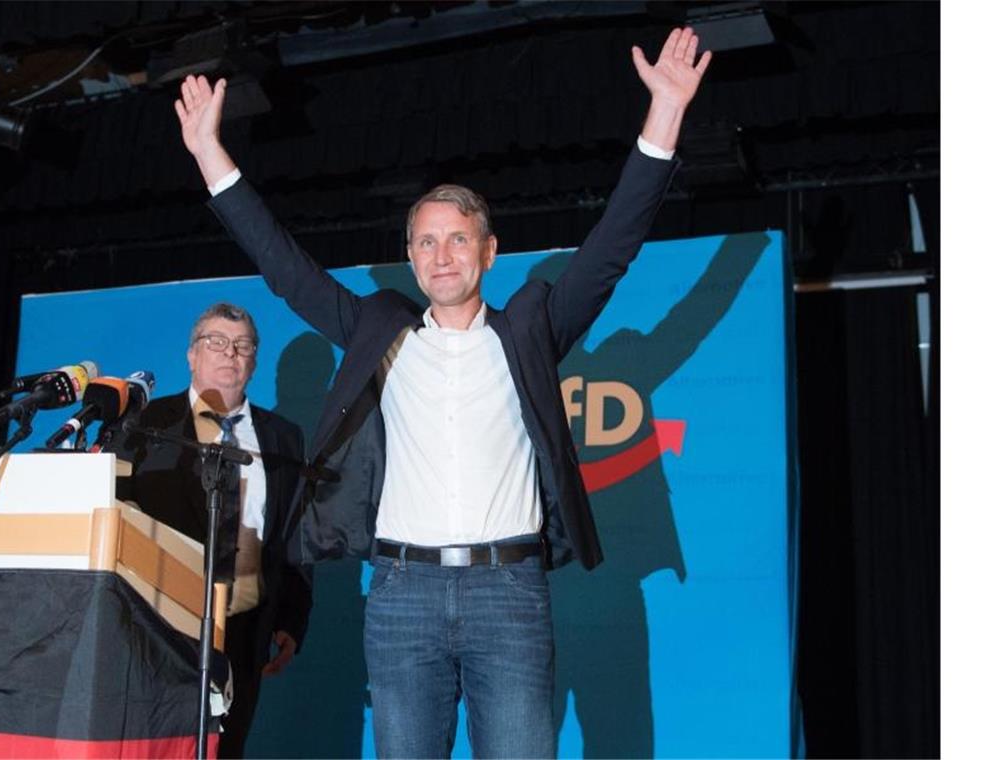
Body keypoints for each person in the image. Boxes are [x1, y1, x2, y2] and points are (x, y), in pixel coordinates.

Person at [174, 27, 710, 759]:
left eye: (458, 239)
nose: (441, 254)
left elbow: (613, 244)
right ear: (410, 257)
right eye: (425, 241)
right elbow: (284, 266)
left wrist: (665, 116)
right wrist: (210, 151)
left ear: (489, 252)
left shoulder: (529, 329)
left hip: (508, 595)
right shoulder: (379, 331)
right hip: (401, 597)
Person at [109, 302, 311, 759]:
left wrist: (292, 619)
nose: (229, 354)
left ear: (255, 360)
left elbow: (296, 531)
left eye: (242, 346)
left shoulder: (284, 438)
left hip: (244, 629)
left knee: (227, 749)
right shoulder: (145, 425)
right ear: (191, 355)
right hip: (158, 625)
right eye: (215, 342)